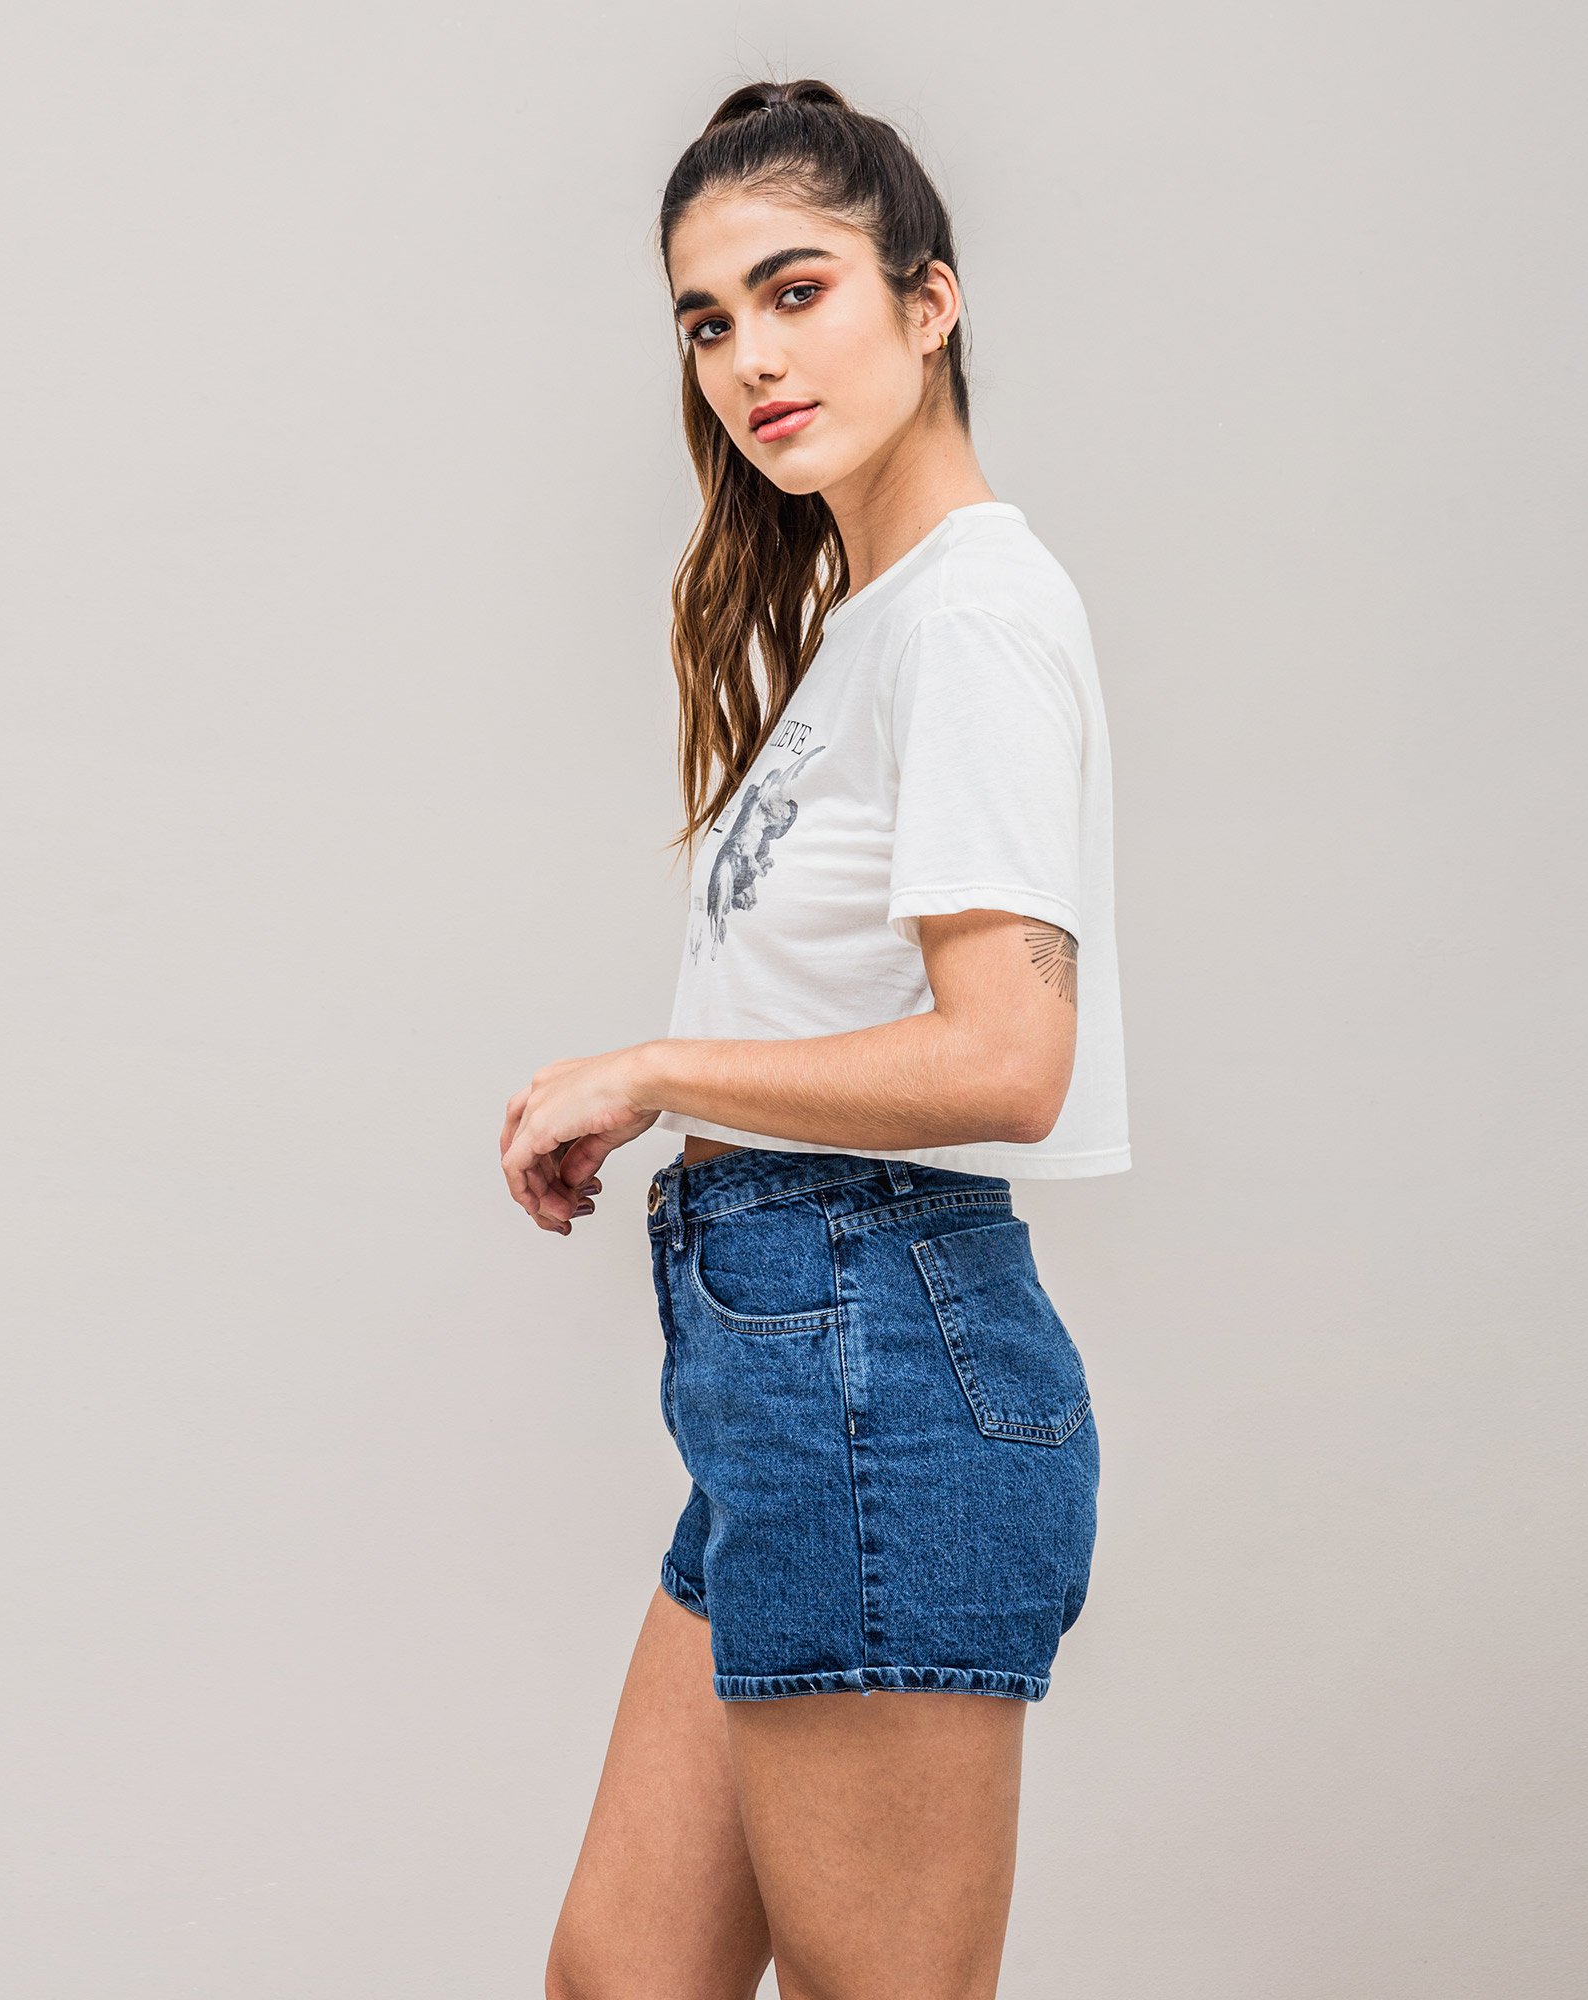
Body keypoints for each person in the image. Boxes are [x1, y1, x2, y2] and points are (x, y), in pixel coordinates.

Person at [499, 76, 1130, 2000]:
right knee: (623, 1976)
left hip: (881, 1355)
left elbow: (1004, 1057)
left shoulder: (974, 616)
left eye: (797, 291)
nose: (749, 361)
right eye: (708, 323)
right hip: (789, 1369)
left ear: (929, 302)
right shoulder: (873, 628)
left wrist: (653, 1071)